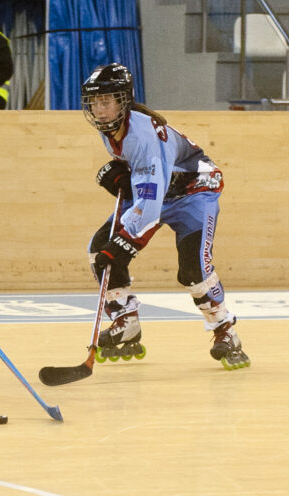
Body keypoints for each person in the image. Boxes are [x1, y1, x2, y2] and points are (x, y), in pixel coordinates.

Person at [81, 63, 250, 371]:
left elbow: (150, 205)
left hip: (194, 192)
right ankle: (125, 320)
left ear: (123, 101)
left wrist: (126, 242)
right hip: (160, 191)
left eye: (106, 101)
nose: (99, 109)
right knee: (99, 248)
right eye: (94, 102)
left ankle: (225, 330)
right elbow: (147, 184)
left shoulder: (143, 135)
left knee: (194, 270)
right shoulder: (110, 130)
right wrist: (123, 177)